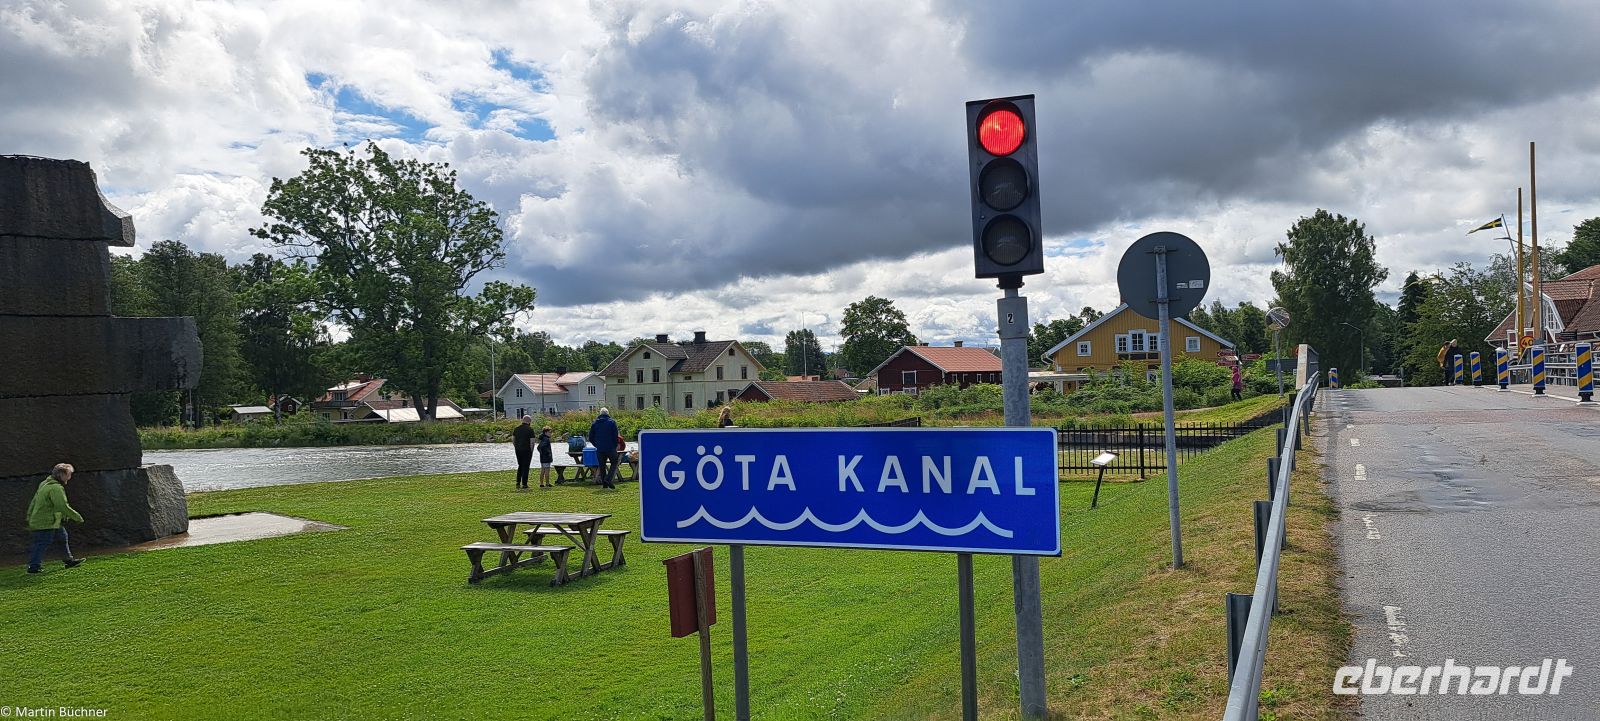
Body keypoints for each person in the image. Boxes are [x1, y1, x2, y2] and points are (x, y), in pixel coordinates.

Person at [26, 463, 84, 574]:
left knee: (62, 537)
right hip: (46, 521)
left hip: (51, 520)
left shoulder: (45, 483)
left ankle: (68, 560)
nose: (70, 477)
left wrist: (29, 516)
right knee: (42, 542)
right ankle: (33, 567)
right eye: (69, 474)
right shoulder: (55, 488)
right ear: (62, 475)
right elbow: (61, 505)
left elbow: (35, 501)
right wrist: (77, 517)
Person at [589, 408, 621, 489]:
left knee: (602, 465)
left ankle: (604, 483)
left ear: (600, 413)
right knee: (614, 463)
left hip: (600, 448)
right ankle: (608, 479)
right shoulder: (612, 422)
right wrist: (615, 445)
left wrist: (596, 445)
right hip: (610, 447)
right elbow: (615, 436)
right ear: (608, 413)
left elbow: (590, 437)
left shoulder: (595, 423)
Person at [511, 415, 535, 490]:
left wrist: (516, 447)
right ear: (529, 422)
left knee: (520, 465)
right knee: (526, 466)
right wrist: (531, 451)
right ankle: (524, 483)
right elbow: (532, 442)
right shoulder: (530, 429)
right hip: (527, 450)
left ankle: (518, 482)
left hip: (518, 450)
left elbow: (513, 440)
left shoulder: (516, 429)